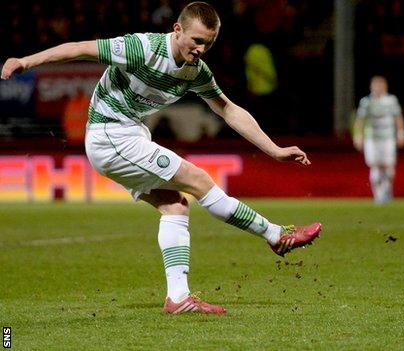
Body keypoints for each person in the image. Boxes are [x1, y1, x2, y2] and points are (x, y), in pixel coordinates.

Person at [1, 1, 321, 316]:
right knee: (199, 181)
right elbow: (80, 49)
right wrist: (26, 61)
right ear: (177, 29)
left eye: (207, 44)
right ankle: (275, 235)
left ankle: (178, 298)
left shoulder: (195, 70)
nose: (200, 49)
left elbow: (227, 109)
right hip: (110, 134)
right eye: (196, 40)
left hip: (129, 135)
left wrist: (274, 149)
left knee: (175, 204)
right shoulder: (142, 49)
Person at [353, 76, 404, 204]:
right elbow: (360, 120)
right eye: (376, 85)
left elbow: (398, 117)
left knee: (388, 166)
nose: (379, 87)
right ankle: (378, 195)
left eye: (381, 85)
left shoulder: (391, 100)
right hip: (372, 139)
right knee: (375, 165)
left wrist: (401, 133)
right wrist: (358, 136)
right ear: (371, 87)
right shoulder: (366, 102)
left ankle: (387, 191)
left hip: (388, 138)